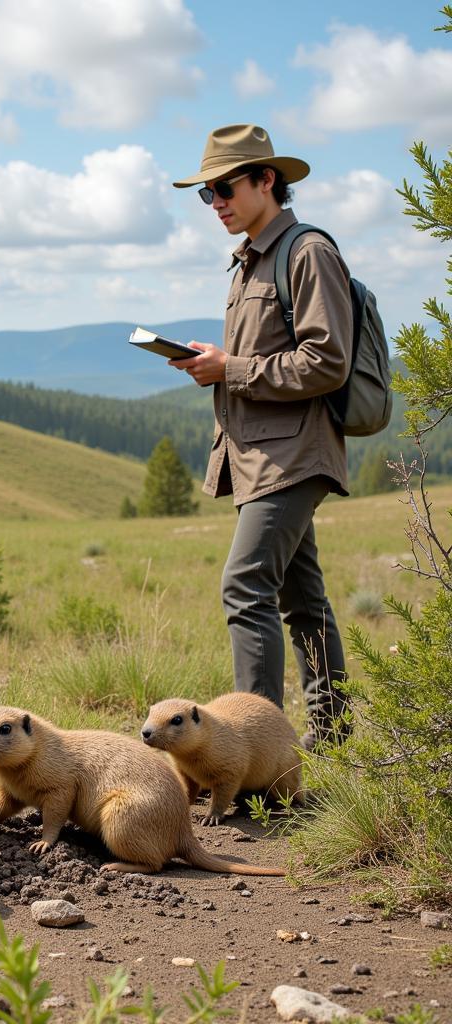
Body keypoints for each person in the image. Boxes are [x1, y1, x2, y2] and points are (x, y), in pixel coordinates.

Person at [170, 124, 352, 748]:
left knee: (244, 587)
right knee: (302, 600)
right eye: (206, 194)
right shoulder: (251, 257)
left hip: (295, 454)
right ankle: (332, 740)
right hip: (261, 457)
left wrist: (234, 369)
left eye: (223, 188)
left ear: (265, 180)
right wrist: (216, 366)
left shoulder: (306, 253)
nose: (215, 203)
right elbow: (268, 361)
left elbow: (328, 362)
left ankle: (254, 753)